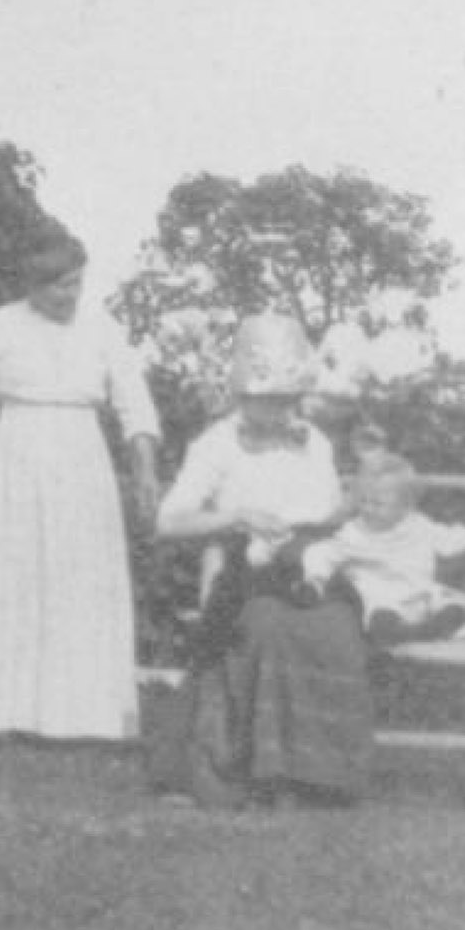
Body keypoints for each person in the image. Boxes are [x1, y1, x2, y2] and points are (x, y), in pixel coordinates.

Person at [0, 232, 161, 741]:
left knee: (80, 579)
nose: (67, 295)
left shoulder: (102, 330)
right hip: (16, 456)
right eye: (54, 286)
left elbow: (135, 406)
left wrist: (144, 470)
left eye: (74, 283)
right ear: (28, 284)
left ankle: (84, 719)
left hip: (82, 459)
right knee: (11, 576)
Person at [151, 313, 371, 807]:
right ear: (242, 395)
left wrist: (344, 513)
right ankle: (266, 772)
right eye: (266, 401)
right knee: (270, 627)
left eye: (287, 401)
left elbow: (327, 508)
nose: (278, 413)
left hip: (309, 562)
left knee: (336, 628)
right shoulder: (215, 445)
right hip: (245, 571)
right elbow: (169, 522)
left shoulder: (313, 442)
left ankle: (323, 777)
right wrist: (238, 516)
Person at [300, 449, 465, 645]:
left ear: (405, 506)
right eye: (364, 501)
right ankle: (401, 634)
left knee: (453, 607)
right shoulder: (355, 532)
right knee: (378, 615)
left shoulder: (419, 526)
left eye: (378, 504)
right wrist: (315, 578)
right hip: (385, 598)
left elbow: (452, 538)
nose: (368, 509)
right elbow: (323, 552)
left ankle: (438, 625)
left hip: (422, 594)